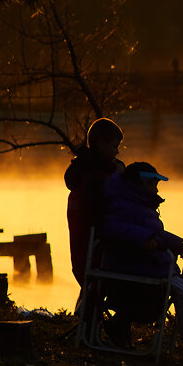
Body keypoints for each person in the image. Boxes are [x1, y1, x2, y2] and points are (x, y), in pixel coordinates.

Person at [100, 161, 183, 360]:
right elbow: (112, 227)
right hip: (133, 266)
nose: (156, 190)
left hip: (150, 265)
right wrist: (143, 239)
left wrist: (176, 242)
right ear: (141, 185)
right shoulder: (123, 203)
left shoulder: (141, 205)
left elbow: (156, 234)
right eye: (154, 185)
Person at [65, 117, 125, 285]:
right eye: (114, 146)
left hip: (82, 258)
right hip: (99, 258)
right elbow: (105, 220)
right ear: (101, 144)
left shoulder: (81, 172)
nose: (117, 152)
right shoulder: (98, 180)